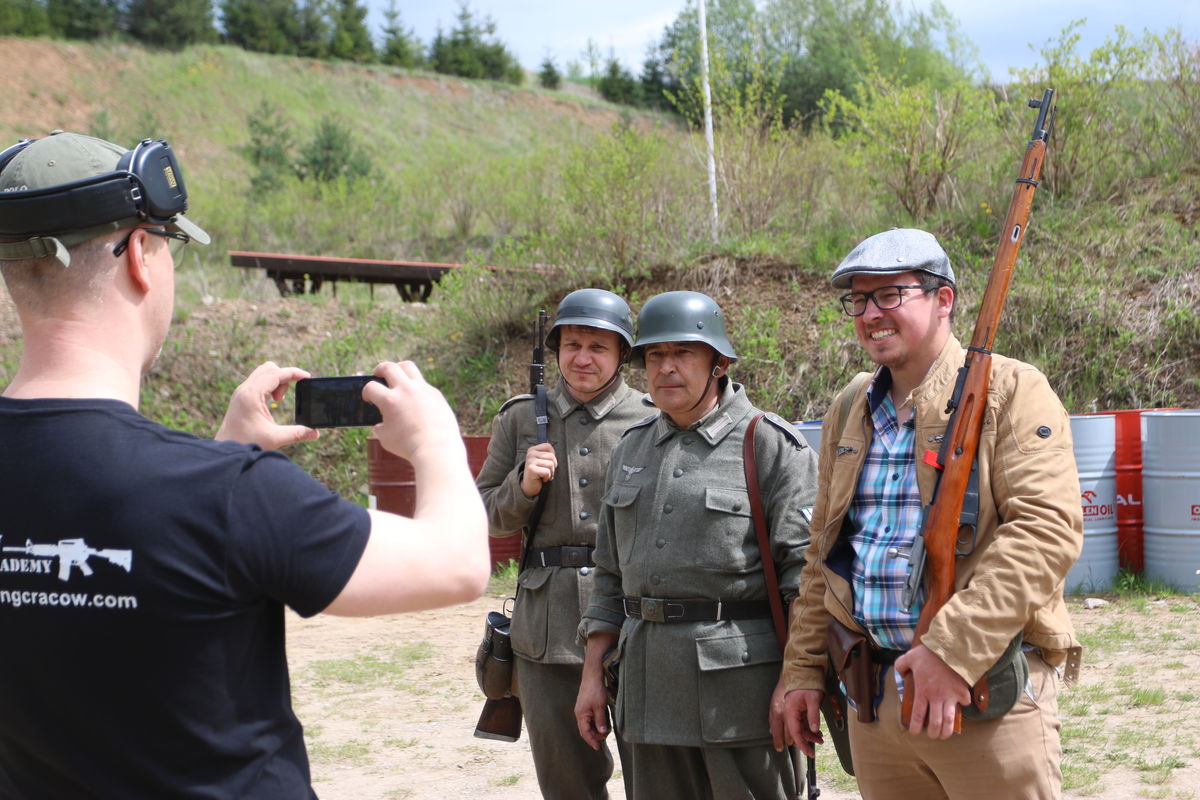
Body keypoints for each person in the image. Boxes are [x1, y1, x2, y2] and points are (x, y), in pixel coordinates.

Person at [0, 131, 490, 799]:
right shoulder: (224, 495)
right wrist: (434, 439)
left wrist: (221, 452)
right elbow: (456, 565)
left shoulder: (211, 485)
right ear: (141, 254)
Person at [770, 228, 1083, 800]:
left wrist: (950, 650)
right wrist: (804, 672)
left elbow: (1045, 532)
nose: (870, 314)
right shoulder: (850, 406)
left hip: (981, 695)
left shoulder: (1011, 391)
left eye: (890, 295)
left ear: (944, 300)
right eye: (859, 300)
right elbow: (824, 553)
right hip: (877, 701)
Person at [574, 290, 819, 800]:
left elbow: (806, 583)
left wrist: (796, 681)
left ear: (719, 362)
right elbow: (609, 577)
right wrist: (592, 675)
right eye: (655, 356)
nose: (665, 369)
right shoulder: (632, 448)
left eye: (683, 353)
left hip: (739, 696)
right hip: (645, 689)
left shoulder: (770, 444)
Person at [475, 288, 646, 800]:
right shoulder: (521, 419)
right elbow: (484, 515)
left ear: (621, 354)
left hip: (634, 621)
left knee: (654, 772)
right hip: (547, 629)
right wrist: (522, 487)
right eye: (572, 344)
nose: (583, 357)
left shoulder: (652, 418)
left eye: (598, 346)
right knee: (568, 781)